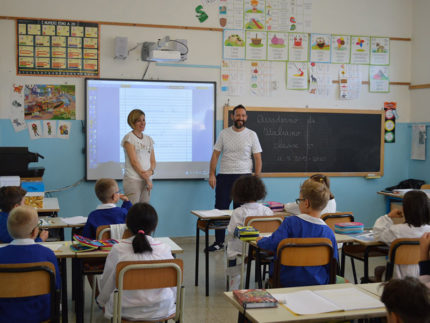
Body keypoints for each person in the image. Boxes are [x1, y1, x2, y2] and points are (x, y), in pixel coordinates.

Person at [97, 203, 176, 321]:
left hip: (123, 310)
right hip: (161, 309)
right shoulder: (165, 249)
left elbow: (107, 283)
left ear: (127, 224)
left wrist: (102, 302)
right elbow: (174, 285)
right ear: (155, 226)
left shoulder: (118, 249)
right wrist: (171, 301)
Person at [257, 179, 338, 287]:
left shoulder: (290, 223)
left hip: (286, 279)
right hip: (318, 281)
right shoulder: (329, 232)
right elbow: (333, 262)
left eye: (299, 200)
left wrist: (260, 241)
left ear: (306, 203)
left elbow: (273, 243)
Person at [208, 104, 262, 252]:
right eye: (238, 115)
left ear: (246, 117)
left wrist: (256, 179)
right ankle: (219, 242)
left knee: (242, 212)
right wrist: (212, 174)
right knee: (220, 210)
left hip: (244, 178)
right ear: (232, 117)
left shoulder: (252, 135)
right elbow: (215, 155)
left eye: (243, 115)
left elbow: (257, 158)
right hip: (225, 176)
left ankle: (239, 244)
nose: (241, 118)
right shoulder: (224, 134)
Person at [0, 205, 61, 323]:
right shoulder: (47, 255)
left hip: (4, 315)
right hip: (40, 314)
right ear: (34, 232)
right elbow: (56, 287)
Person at [226, 175, 273, 290]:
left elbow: (232, 231)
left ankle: (234, 279)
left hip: (242, 248)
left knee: (230, 245)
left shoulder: (238, 212)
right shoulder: (267, 210)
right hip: (261, 247)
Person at [373, 190, 430, 279]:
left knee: (379, 270)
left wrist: (388, 217)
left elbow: (377, 234)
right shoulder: (428, 232)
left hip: (399, 281)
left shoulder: (396, 231)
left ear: (404, 210)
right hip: (424, 279)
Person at [121, 109, 156, 204]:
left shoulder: (149, 139)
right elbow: (134, 162)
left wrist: (151, 171)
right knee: (133, 212)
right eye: (139, 120)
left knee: (144, 213)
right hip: (133, 180)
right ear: (132, 122)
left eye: (144, 120)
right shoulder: (129, 138)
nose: (142, 123)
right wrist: (147, 179)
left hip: (146, 181)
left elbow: (153, 161)